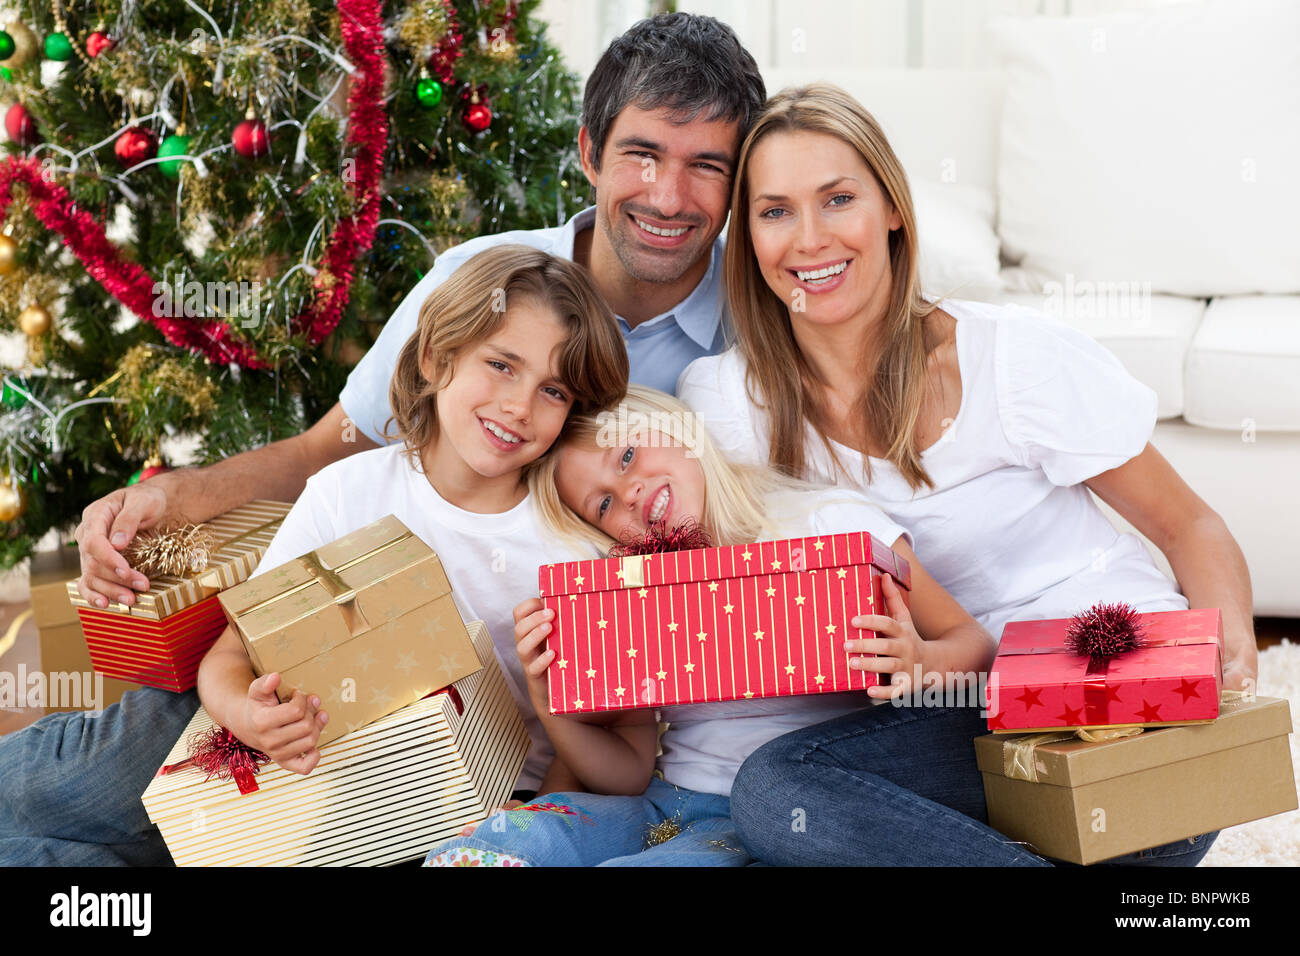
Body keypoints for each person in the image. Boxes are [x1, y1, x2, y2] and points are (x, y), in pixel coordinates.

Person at [676, 83, 1254, 865]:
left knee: (1148, 824)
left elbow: (1188, 526)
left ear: (893, 210)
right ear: (747, 239)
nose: (808, 239)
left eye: (837, 199)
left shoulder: (1011, 359)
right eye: (775, 211)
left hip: (1106, 697)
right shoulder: (729, 404)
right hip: (956, 717)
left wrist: (1229, 661)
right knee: (777, 793)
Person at [73, 12, 764, 613]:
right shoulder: (477, 283)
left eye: (706, 166)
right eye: (642, 155)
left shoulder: (766, 318)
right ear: (590, 153)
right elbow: (326, 454)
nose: (669, 198)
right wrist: (171, 499)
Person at [0, 246, 628, 864]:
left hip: (448, 817)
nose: (519, 407)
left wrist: (515, 842)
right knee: (58, 796)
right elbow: (231, 654)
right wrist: (244, 712)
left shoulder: (573, 550)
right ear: (437, 359)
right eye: (500, 365)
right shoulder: (348, 491)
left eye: (554, 391)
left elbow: (585, 752)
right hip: (295, 768)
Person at [422, 385, 996, 866]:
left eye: (626, 458)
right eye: (603, 506)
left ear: (675, 427)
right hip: (666, 801)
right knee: (524, 836)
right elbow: (626, 773)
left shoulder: (826, 525)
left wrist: (921, 661)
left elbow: (973, 642)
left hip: (783, 807)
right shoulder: (638, 594)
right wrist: (549, 700)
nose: (630, 492)